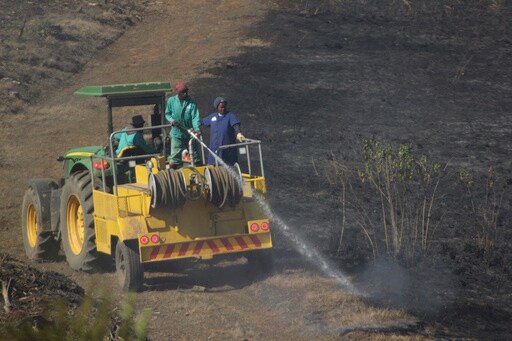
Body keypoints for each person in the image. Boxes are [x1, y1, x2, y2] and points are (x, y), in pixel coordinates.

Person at [164, 82, 201, 168]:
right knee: (174, 157)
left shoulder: (191, 103)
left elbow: (195, 117)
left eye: (186, 91)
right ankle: (172, 174)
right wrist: (172, 121)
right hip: (176, 134)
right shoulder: (171, 101)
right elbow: (167, 114)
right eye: (183, 92)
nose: (185, 94)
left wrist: (197, 129)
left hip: (189, 133)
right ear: (178, 93)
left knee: (194, 156)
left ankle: (197, 170)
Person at [202, 96, 245, 166]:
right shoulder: (213, 117)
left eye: (224, 107)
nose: (223, 109)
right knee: (213, 166)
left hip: (227, 149)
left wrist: (238, 133)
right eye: (221, 107)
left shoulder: (230, 115)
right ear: (217, 107)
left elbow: (235, 124)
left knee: (227, 165)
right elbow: (202, 122)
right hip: (214, 148)